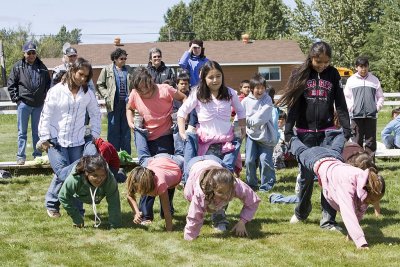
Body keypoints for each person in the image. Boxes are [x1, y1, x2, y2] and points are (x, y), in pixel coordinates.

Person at [276, 41, 351, 230]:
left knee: (329, 176)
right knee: (306, 177)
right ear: (311, 57)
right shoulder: (299, 74)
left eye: (326, 62)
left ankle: (328, 220)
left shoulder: (333, 74)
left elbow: (340, 103)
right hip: (304, 133)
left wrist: (346, 127)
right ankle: (301, 212)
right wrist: (288, 130)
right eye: (319, 62)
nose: (323, 65)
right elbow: (293, 106)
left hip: (327, 133)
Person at [288, 132, 385, 249]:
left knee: (336, 146)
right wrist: (361, 242)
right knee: (300, 149)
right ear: (368, 191)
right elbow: (348, 213)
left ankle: (341, 134)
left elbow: (359, 211)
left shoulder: (363, 179)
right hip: (315, 158)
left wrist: (351, 235)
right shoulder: (347, 184)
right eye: (371, 201)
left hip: (335, 157)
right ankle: (290, 137)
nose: (368, 204)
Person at [37, 58, 101, 218]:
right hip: (55, 140)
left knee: (76, 174)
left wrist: (94, 134)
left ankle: (78, 209)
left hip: (78, 141)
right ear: (72, 71)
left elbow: (95, 114)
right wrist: (44, 137)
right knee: (62, 173)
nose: (83, 79)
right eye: (81, 74)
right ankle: (52, 203)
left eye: (86, 76)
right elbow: (46, 115)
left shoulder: (87, 93)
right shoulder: (56, 91)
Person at [126, 67, 186, 223]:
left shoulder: (165, 90)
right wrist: (130, 121)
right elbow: (129, 109)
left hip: (166, 137)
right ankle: (146, 214)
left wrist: (181, 118)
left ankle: (167, 210)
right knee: (147, 176)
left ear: (151, 80)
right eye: (140, 90)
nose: (144, 92)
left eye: (146, 88)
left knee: (166, 176)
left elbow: (184, 98)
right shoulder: (134, 94)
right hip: (147, 138)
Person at [177, 61, 246, 177]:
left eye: (218, 76)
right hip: (206, 143)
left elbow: (241, 111)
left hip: (227, 142)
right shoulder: (197, 93)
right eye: (211, 77)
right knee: (208, 175)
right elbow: (182, 112)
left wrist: (242, 128)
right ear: (204, 78)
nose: (215, 80)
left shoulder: (230, 93)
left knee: (225, 175)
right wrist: (182, 132)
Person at [183, 155, 261, 240]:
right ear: (211, 188)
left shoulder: (235, 185)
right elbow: (194, 215)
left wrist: (242, 222)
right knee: (198, 204)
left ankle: (218, 214)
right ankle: (214, 205)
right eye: (220, 192)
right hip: (194, 164)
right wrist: (190, 237)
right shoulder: (199, 193)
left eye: (228, 192)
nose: (225, 196)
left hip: (216, 161)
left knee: (219, 200)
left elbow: (252, 201)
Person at [126, 129, 183, 230]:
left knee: (181, 153)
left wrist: (169, 231)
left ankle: (176, 127)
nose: (139, 192)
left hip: (173, 162)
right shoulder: (139, 178)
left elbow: (166, 211)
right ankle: (138, 128)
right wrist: (136, 213)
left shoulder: (160, 184)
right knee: (143, 158)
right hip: (154, 161)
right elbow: (129, 196)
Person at [7, 41, 51, 165]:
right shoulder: (17, 66)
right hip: (24, 104)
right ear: (24, 53)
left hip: (39, 105)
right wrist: (17, 99)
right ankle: (20, 156)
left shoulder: (42, 67)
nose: (31, 55)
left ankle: (37, 155)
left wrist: (45, 98)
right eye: (29, 53)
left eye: (33, 52)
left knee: (37, 132)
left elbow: (48, 84)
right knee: (22, 132)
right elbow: (11, 84)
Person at [58, 155, 122, 229]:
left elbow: (114, 203)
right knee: (60, 177)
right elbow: (63, 197)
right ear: (86, 173)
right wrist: (76, 218)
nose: (99, 179)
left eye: (102, 175)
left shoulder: (109, 179)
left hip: (95, 193)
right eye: (95, 175)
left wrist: (115, 225)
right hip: (74, 181)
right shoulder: (75, 178)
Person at [241, 74, 278, 192]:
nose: (260, 90)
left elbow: (262, 117)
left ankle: (266, 185)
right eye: (257, 88)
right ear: (252, 88)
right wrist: (239, 132)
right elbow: (239, 118)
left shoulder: (267, 100)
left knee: (265, 160)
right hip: (251, 135)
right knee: (249, 160)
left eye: (262, 88)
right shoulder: (245, 102)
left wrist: (248, 120)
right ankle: (251, 183)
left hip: (266, 136)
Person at [344, 56, 384, 156]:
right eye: (361, 66)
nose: (363, 69)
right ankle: (357, 166)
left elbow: (381, 97)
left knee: (371, 142)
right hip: (356, 116)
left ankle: (370, 165)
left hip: (371, 116)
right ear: (356, 67)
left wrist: (376, 108)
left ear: (368, 67)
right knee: (356, 142)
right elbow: (346, 97)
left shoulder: (374, 80)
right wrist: (351, 108)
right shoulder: (351, 80)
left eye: (365, 66)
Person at [97, 48, 134, 154]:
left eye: (125, 58)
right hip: (113, 104)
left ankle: (126, 156)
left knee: (126, 131)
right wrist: (107, 95)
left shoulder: (129, 69)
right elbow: (100, 84)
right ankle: (113, 155)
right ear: (115, 59)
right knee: (113, 130)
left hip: (127, 105)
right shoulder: (107, 70)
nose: (124, 60)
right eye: (121, 58)